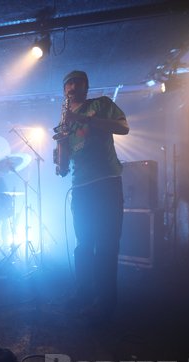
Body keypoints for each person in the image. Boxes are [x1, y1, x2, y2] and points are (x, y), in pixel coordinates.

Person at [57, 70, 129, 322]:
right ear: (64, 91)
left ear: (86, 87)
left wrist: (82, 118)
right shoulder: (66, 120)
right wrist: (60, 151)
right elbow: (63, 166)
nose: (72, 86)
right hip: (81, 187)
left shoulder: (101, 104)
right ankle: (84, 295)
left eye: (77, 82)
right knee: (84, 246)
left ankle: (105, 304)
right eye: (68, 83)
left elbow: (123, 127)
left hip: (107, 182)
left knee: (107, 245)